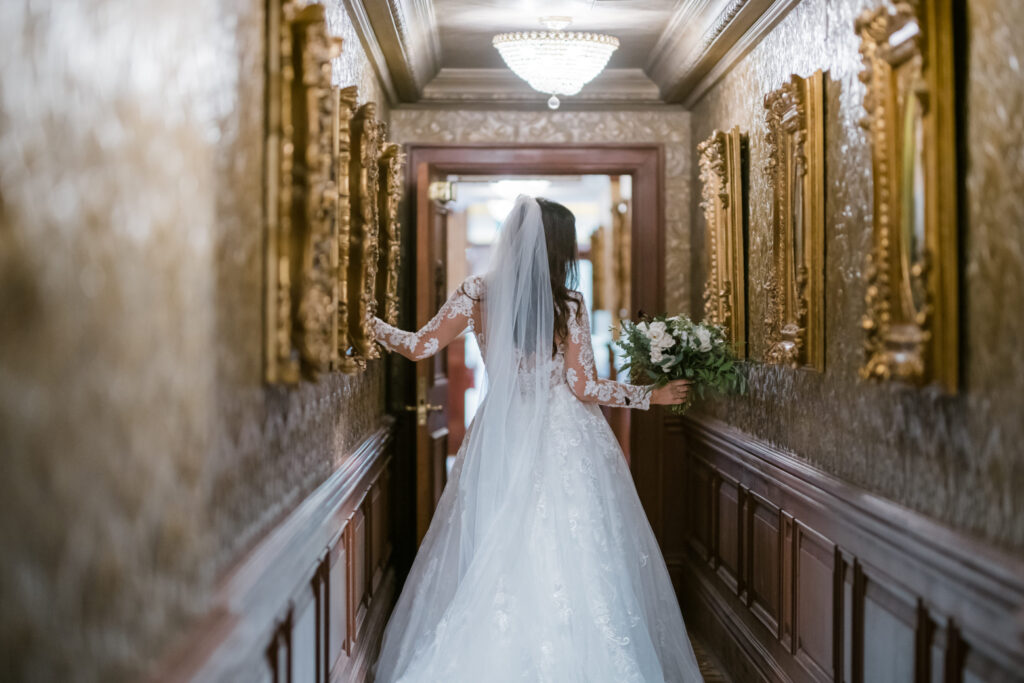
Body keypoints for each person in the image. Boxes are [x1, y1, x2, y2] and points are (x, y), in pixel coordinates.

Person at [371, 195, 703, 682]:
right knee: (572, 547)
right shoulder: (568, 304)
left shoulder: (477, 293)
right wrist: (649, 396)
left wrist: (370, 325)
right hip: (563, 435)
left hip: (501, 435)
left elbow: (419, 346)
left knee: (496, 541)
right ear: (558, 248)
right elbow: (583, 386)